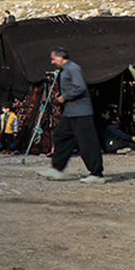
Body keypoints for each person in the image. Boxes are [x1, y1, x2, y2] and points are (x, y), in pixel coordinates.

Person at [38, 48, 105, 183]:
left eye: (54, 58)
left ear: (61, 57)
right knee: (60, 136)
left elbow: (80, 87)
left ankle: (96, 174)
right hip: (70, 113)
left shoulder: (73, 68)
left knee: (87, 143)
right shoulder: (65, 70)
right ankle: (57, 169)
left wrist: (64, 97)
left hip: (81, 112)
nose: (52, 62)